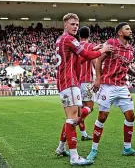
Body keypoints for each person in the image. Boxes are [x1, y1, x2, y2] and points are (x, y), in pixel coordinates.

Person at [53, 13, 112, 166]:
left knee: (74, 116)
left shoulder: (60, 40)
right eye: (72, 24)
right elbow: (86, 54)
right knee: (73, 119)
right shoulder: (70, 39)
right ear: (65, 24)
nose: (75, 27)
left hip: (64, 82)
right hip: (71, 83)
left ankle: (61, 147)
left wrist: (96, 49)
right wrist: (102, 50)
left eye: (77, 25)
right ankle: (74, 157)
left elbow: (79, 58)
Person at [86, 22, 135, 161]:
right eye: (127, 29)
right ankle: (93, 150)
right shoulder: (111, 43)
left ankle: (127, 148)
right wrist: (98, 79)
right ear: (120, 33)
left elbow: (127, 68)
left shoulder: (131, 50)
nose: (130, 31)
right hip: (107, 85)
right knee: (102, 117)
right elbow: (98, 61)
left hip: (122, 86)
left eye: (130, 29)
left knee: (131, 116)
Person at [76, 26, 104, 141]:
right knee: (89, 107)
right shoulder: (90, 46)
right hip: (86, 82)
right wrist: (98, 78)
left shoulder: (75, 46)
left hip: (76, 83)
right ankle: (74, 120)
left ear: (79, 35)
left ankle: (83, 134)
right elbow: (95, 63)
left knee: (81, 108)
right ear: (89, 35)